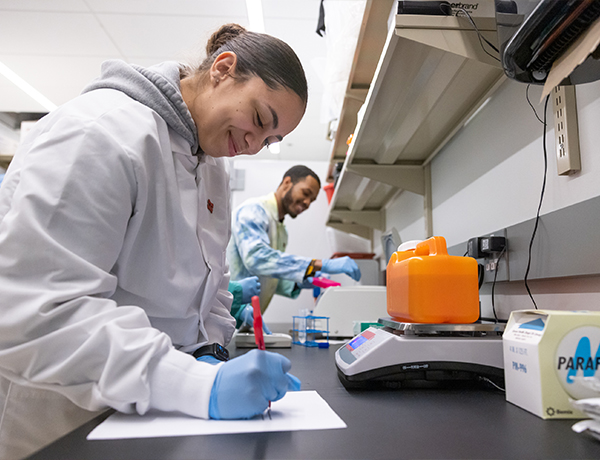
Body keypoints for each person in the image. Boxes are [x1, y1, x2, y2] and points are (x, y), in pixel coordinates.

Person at [0, 23, 307, 460]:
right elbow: (38, 313)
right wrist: (200, 384)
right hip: (64, 423)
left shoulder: (210, 163)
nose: (255, 145)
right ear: (223, 69)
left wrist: (209, 351)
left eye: (271, 140)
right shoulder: (101, 131)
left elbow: (211, 284)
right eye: (259, 120)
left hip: (158, 412)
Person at [227, 165, 361, 328]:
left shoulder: (281, 230)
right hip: (227, 312)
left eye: (311, 200)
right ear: (287, 182)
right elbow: (256, 259)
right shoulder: (253, 211)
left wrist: (299, 281)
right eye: (306, 193)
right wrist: (320, 264)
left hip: (243, 320)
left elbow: (268, 274)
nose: (307, 203)